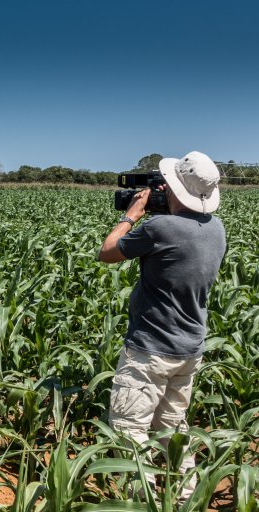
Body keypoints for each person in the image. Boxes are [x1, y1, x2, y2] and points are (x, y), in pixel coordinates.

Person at [98, 151, 226, 502]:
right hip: (189, 349)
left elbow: (108, 252)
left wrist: (131, 215)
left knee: (129, 430)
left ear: (171, 188)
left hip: (151, 349)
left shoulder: (159, 227)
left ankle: (145, 504)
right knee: (173, 427)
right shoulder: (216, 228)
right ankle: (185, 498)